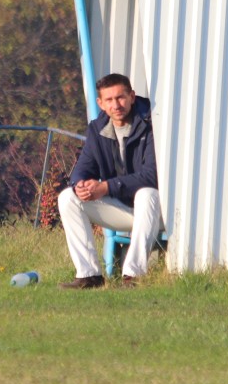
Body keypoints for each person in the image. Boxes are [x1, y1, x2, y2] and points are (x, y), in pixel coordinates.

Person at [58, 73, 162, 289]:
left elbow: (152, 176)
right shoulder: (97, 129)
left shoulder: (153, 123)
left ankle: (133, 276)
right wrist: (81, 186)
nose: (116, 105)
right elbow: (82, 168)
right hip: (122, 209)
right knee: (68, 197)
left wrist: (106, 187)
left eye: (120, 97)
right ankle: (89, 276)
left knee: (147, 193)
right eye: (109, 100)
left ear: (132, 96)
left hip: (159, 212)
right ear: (100, 103)